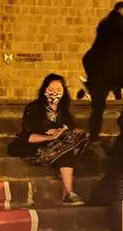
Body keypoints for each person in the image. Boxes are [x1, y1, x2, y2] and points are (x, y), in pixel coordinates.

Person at [7, 74, 89, 206]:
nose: (54, 94)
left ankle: (69, 193)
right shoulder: (34, 108)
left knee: (79, 138)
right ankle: (69, 193)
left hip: (59, 147)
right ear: (44, 90)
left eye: (58, 90)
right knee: (65, 148)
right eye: (51, 90)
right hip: (36, 149)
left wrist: (62, 131)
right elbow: (27, 136)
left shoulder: (65, 108)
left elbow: (71, 128)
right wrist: (49, 137)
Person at [80, 1, 123, 146]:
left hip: (111, 74)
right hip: (103, 74)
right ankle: (94, 139)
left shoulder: (116, 27)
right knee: (98, 107)